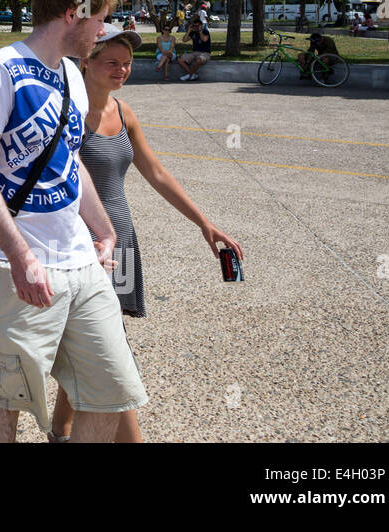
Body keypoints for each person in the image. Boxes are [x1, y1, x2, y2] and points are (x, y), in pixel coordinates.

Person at [0, 0, 146, 443]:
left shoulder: (72, 75)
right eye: (100, 18)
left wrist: (103, 229)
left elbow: (70, 161)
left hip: (83, 264)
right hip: (19, 266)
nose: (103, 29)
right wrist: (22, 259)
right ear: (73, 13)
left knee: (112, 390)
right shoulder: (0, 69)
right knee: (8, 396)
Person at [46, 25, 244, 442]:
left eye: (127, 63)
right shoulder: (64, 114)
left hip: (124, 243)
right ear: (86, 63)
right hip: (84, 246)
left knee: (97, 343)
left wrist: (204, 223)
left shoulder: (124, 112)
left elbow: (156, 173)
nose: (122, 70)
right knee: (108, 352)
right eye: (112, 62)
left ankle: (60, 429)